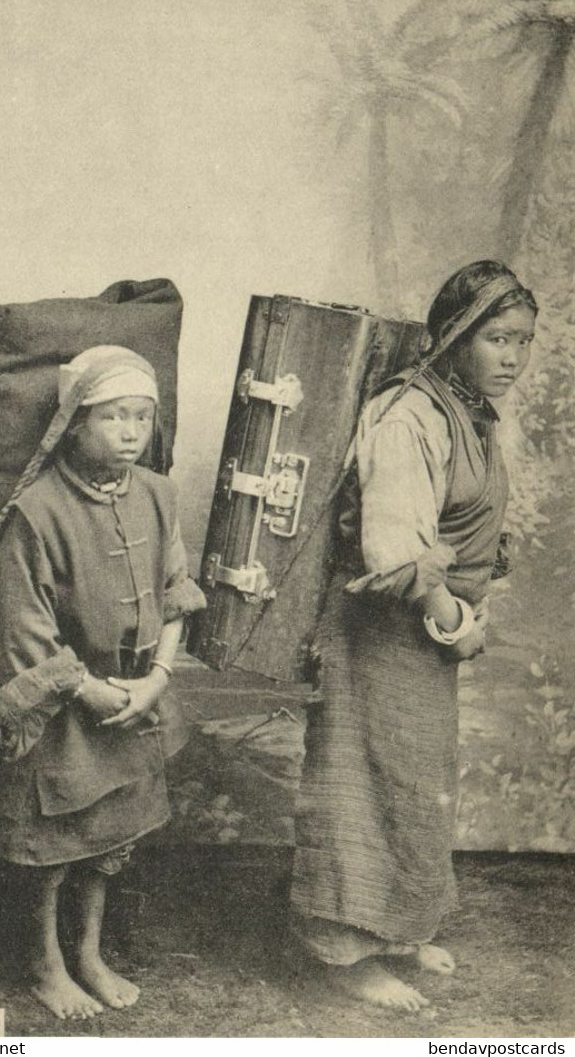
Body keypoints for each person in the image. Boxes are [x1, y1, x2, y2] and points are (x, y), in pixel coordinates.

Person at [290, 260, 537, 1012]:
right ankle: (343, 951)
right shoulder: (409, 416)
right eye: (496, 338)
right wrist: (457, 622)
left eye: (522, 341)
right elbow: (396, 553)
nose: (511, 357)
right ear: (452, 337)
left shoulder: (470, 411)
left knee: (415, 780)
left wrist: (467, 613)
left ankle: (394, 929)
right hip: (377, 632)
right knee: (360, 779)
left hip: (424, 640)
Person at [0, 345, 205, 1020]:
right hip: (68, 702)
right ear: (74, 423)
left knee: (110, 835)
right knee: (57, 842)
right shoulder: (38, 512)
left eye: (142, 416)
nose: (132, 432)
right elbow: (24, 627)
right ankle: (46, 962)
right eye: (113, 418)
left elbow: (175, 594)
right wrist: (89, 689)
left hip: (136, 696)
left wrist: (156, 680)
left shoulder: (159, 495)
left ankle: (90, 953)